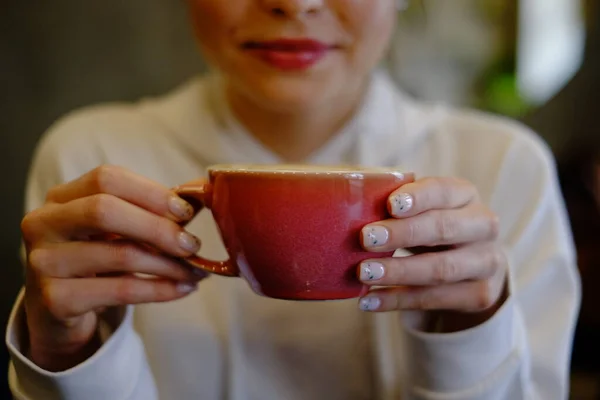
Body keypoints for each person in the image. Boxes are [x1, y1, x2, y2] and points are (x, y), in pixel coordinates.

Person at [5, 1, 580, 399]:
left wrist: (472, 328)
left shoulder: (503, 168)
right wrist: (62, 352)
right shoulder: (95, 159)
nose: (294, 5)